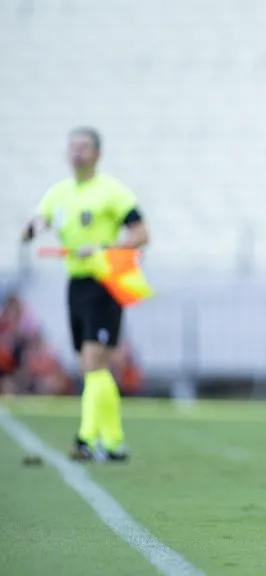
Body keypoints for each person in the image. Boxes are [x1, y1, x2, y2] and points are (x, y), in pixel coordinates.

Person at [19, 127, 150, 460]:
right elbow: (39, 221)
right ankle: (114, 440)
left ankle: (87, 438)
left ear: (97, 153)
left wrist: (105, 247)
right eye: (72, 147)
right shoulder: (59, 193)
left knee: (94, 362)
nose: (77, 152)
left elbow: (141, 232)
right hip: (76, 284)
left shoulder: (111, 192)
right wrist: (32, 229)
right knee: (91, 366)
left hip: (103, 283)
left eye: (84, 147)